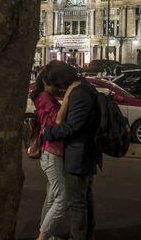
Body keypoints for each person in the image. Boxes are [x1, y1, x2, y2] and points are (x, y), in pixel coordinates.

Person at [42, 64, 102, 240]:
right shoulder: (83, 87)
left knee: (76, 203)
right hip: (84, 152)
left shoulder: (79, 93)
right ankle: (86, 234)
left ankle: (78, 236)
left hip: (79, 154)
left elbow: (73, 127)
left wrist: (48, 133)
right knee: (84, 197)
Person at [31, 61, 80, 240]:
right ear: (49, 82)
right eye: (60, 85)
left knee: (52, 197)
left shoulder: (44, 95)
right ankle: (42, 238)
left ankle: (46, 234)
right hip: (51, 153)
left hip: (52, 152)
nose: (62, 88)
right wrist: (67, 98)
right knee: (61, 200)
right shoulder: (44, 97)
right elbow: (58, 121)